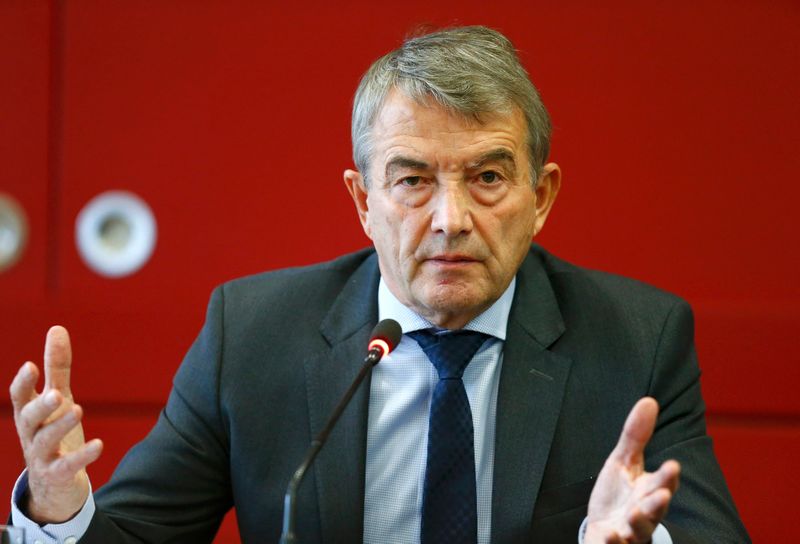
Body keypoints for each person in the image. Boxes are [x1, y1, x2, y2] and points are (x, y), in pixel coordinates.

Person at [8, 26, 749, 543]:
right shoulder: (254, 335)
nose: (450, 220)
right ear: (364, 201)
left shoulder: (637, 341)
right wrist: (57, 508)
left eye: (487, 178)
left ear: (542, 196)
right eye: (413, 181)